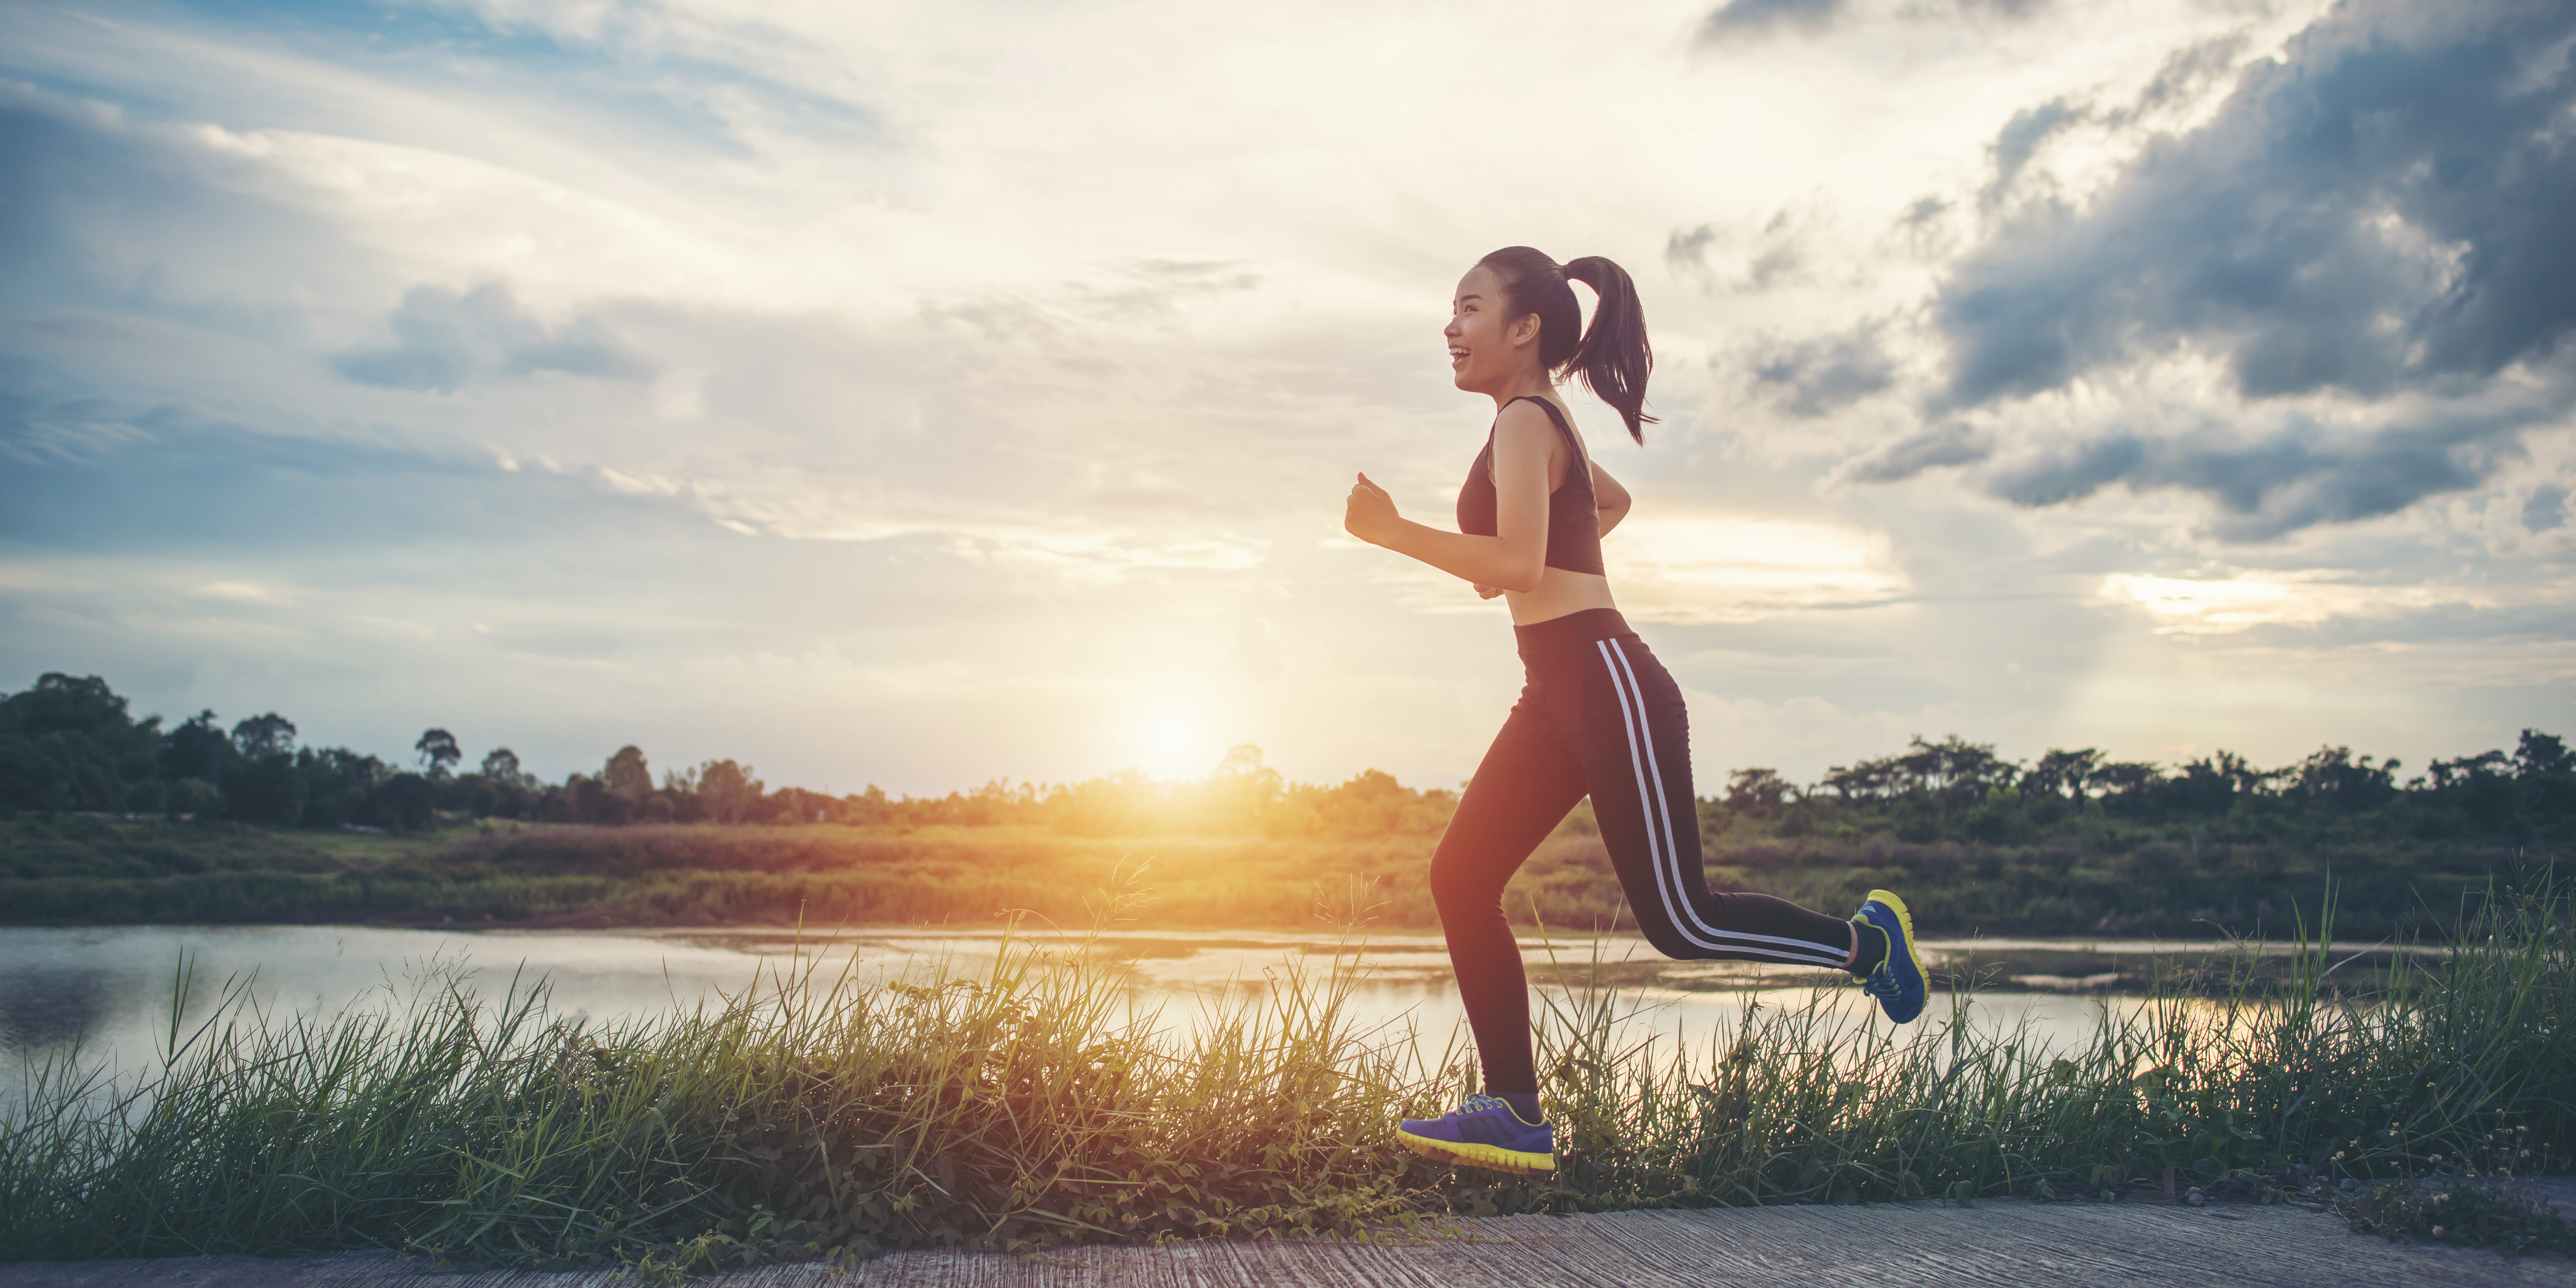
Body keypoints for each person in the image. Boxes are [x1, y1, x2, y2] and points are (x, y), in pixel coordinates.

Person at [1339, 247, 1929, 1176]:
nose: (1450, 329)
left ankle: (1868, 944)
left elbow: (1522, 565)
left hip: (1608, 681)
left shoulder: (1529, 422)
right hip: (1555, 693)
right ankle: (1515, 1111)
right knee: (1460, 877)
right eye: (1449, 313)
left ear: (1524, 327)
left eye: (1468, 308)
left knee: (1682, 923)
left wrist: (1395, 534)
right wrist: (1533, 560)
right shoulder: (1531, 427)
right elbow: (1604, 503)